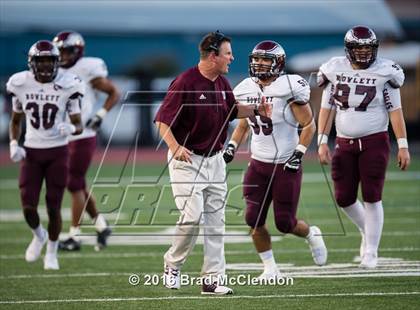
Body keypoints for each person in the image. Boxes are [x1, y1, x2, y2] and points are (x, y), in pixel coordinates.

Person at [154, 31, 272, 295]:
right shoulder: (185, 81)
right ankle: (172, 264)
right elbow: (162, 120)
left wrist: (256, 110)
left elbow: (232, 110)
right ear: (212, 55)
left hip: (215, 160)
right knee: (192, 217)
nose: (232, 57)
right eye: (228, 53)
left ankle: (212, 280)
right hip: (187, 159)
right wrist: (175, 147)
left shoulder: (222, 82)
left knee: (217, 223)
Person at [222, 40, 328, 280]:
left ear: (278, 63)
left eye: (265, 60)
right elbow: (243, 125)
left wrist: (299, 153)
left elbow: (308, 125)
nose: (259, 64)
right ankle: (269, 268)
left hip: (285, 164)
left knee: (284, 223)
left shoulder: (289, 88)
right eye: (256, 59)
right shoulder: (245, 87)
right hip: (258, 163)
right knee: (253, 218)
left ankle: (311, 234)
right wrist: (231, 147)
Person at [317, 26, 411, 269]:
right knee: (344, 197)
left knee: (372, 195)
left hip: (374, 141)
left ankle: (371, 250)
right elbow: (327, 108)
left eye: (367, 48)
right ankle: (366, 230)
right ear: (348, 49)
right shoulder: (334, 68)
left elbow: (395, 111)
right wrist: (321, 141)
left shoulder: (386, 71)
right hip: (344, 142)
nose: (363, 53)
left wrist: (403, 145)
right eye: (358, 48)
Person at [7, 40, 84, 270]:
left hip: (58, 152)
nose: (45, 66)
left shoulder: (68, 85)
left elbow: (78, 125)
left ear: (57, 62)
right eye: (40, 61)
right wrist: (13, 143)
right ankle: (39, 235)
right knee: (28, 206)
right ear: (32, 62)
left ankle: (52, 250)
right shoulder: (20, 83)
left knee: (53, 206)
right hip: (32, 151)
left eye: (49, 60)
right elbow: (15, 120)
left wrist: (71, 129)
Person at [52, 31, 120, 251]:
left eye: (66, 50)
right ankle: (101, 225)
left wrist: (100, 115)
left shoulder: (87, 68)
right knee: (77, 184)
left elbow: (113, 92)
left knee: (73, 183)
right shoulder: (52, 70)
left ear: (77, 50)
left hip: (83, 134)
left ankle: (74, 236)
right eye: (60, 50)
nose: (62, 55)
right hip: (63, 135)